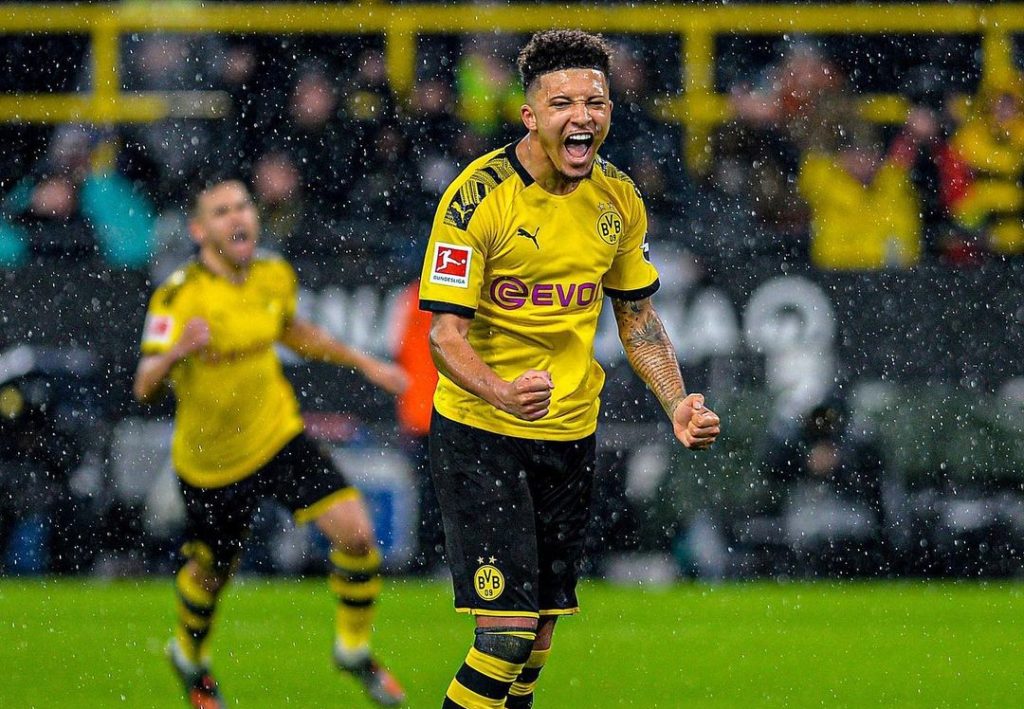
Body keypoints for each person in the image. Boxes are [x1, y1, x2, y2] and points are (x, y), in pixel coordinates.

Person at [418, 30, 721, 708]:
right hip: (482, 433)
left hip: (568, 433)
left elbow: (638, 320)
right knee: (504, 636)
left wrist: (675, 401)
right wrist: (500, 391)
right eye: (563, 103)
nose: (582, 116)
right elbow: (443, 336)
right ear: (530, 116)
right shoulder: (476, 199)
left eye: (596, 101)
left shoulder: (618, 199)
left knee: (539, 638)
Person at [132, 178, 407, 708]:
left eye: (243, 207)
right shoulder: (179, 295)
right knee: (210, 576)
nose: (238, 218)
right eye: (221, 212)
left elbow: (291, 331)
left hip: (277, 435)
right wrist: (176, 352)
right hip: (212, 463)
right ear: (199, 230)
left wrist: (365, 362)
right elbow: (144, 385)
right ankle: (189, 657)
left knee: (355, 533)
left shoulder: (273, 274)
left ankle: (352, 648)